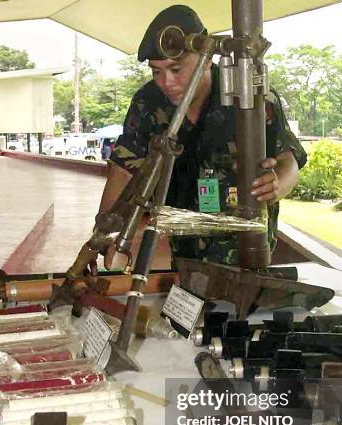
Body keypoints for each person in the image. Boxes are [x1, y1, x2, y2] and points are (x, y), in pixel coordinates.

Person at [95, 4, 306, 272]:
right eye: (156, 72)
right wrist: (105, 233)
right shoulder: (148, 102)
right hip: (184, 250)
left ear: (207, 59)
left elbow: (289, 158)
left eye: (177, 69)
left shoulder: (249, 96)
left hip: (247, 252)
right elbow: (123, 169)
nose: (166, 82)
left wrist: (280, 183)